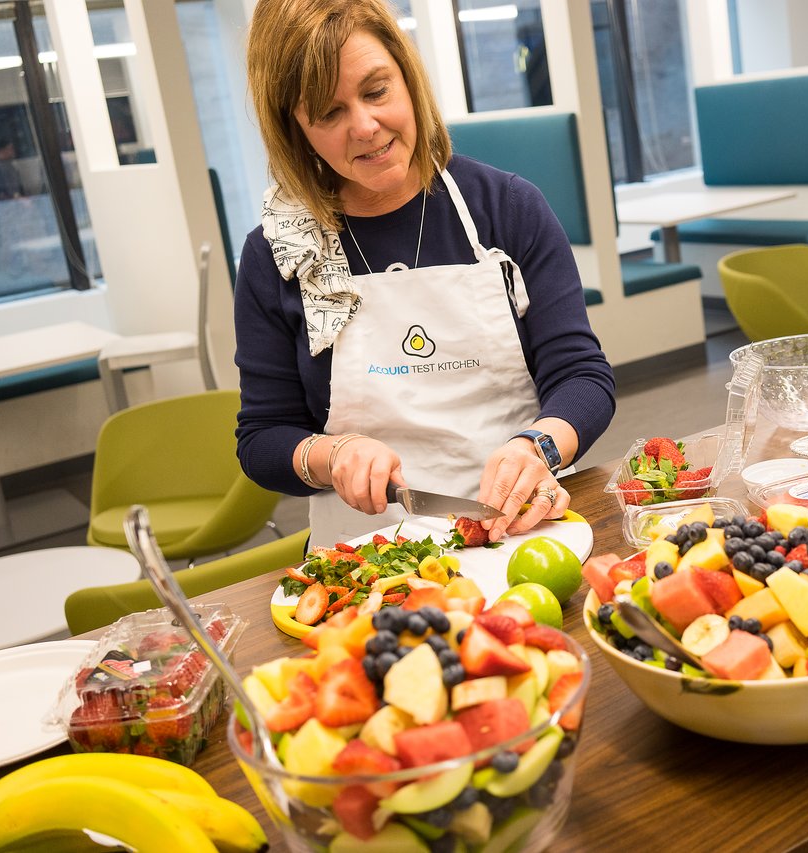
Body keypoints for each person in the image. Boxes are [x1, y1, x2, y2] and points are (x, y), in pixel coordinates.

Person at [237, 0, 615, 550]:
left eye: (375, 91)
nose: (365, 127)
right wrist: (332, 454)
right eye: (328, 112)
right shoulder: (278, 255)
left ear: (408, 77)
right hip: (370, 559)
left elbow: (583, 377)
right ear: (296, 129)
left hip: (520, 532)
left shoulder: (506, 208)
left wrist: (538, 447)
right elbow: (262, 439)